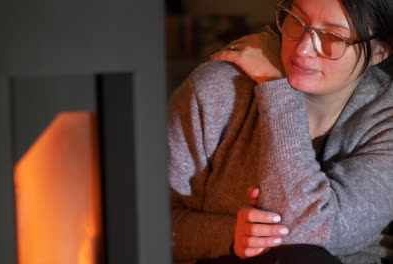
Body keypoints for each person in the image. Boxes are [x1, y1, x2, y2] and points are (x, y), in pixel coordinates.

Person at [168, 0, 393, 263]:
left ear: (381, 52)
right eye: (296, 21)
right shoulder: (217, 90)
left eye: (334, 37)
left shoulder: (386, 118)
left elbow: (313, 233)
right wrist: (232, 235)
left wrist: (276, 88)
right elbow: (144, 218)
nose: (303, 48)